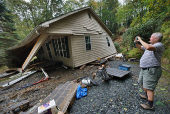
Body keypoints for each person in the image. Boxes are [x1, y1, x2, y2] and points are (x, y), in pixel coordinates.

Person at [134, 33, 165, 110]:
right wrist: (136, 43)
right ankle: (146, 95)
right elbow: (141, 47)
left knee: (149, 87)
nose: (150, 38)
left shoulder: (159, 45)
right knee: (141, 82)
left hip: (152, 69)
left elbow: (147, 47)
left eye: (152, 37)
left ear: (157, 39)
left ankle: (150, 105)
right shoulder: (150, 45)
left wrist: (140, 39)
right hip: (144, 68)